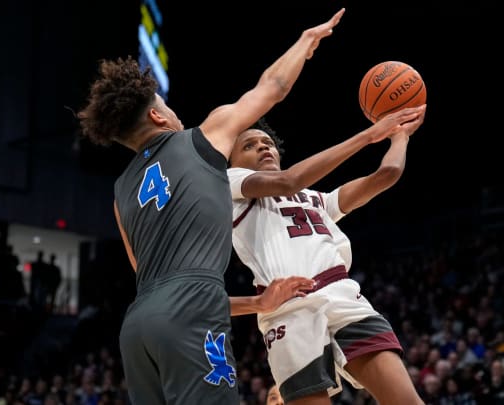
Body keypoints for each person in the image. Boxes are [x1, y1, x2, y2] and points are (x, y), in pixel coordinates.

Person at [75, 8, 345, 405]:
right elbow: (272, 87)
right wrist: (305, 42)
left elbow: (153, 281)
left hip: (138, 325)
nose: (173, 110)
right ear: (157, 116)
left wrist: (257, 303)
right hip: (191, 310)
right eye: (165, 104)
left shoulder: (120, 192)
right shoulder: (200, 141)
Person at [226, 104, 426, 405]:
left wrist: (400, 137)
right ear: (233, 163)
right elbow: (290, 180)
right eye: (249, 146)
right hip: (287, 309)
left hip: (343, 296)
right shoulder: (231, 186)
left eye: (267, 143)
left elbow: (386, 174)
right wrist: (368, 135)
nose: (263, 147)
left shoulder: (316, 199)